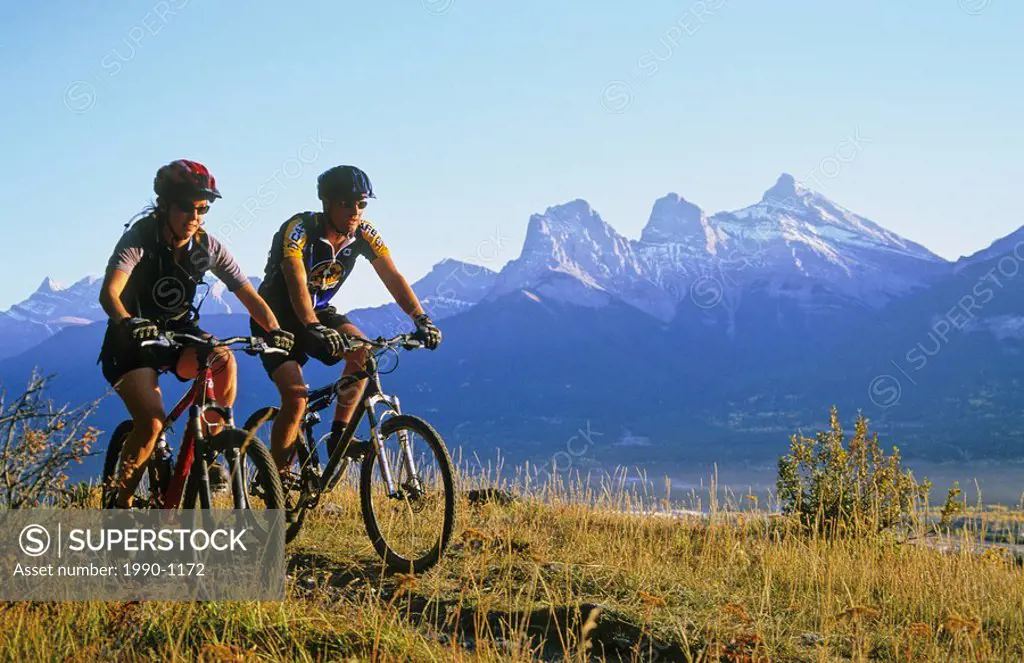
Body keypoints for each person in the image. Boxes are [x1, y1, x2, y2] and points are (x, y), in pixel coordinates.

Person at [99, 159, 295, 508]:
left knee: (223, 360)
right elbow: (109, 294)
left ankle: (211, 453)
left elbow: (249, 295)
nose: (194, 217)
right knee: (151, 425)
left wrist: (275, 330)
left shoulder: (208, 247)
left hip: (178, 333)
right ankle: (120, 507)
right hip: (131, 340)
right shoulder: (140, 237)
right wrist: (127, 321)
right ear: (164, 205)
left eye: (202, 209)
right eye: (186, 207)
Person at [251, 165, 442, 475]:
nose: (355, 211)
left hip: (319, 312)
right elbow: (295, 278)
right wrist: (312, 326)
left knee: (363, 354)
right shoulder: (299, 229)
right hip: (275, 319)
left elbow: (392, 275)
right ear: (326, 203)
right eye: (346, 203)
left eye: (362, 204)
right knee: (296, 399)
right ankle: (277, 479)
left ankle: (339, 437)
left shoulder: (365, 234)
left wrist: (421, 318)